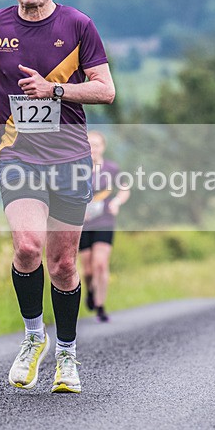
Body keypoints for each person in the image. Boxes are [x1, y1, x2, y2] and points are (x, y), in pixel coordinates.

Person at [0, 0, 115, 394]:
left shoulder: (77, 25)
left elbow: (105, 90)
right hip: (19, 155)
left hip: (69, 157)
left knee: (63, 264)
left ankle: (66, 355)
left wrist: (55, 90)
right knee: (28, 248)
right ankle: (33, 338)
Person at [78, 130, 130, 323]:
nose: (93, 148)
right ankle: (90, 291)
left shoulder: (111, 168)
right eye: (90, 144)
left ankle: (100, 305)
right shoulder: (77, 169)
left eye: (97, 144)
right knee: (88, 270)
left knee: (100, 264)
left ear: (103, 147)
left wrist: (116, 202)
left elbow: (124, 188)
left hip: (105, 222)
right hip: (82, 224)